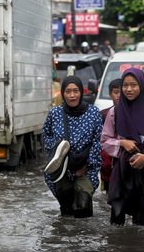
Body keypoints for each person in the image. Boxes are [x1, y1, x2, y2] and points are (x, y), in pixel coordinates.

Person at [101, 68, 144, 226]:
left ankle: (138, 249)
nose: (129, 89)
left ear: (142, 86)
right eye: (125, 85)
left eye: (134, 85)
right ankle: (118, 249)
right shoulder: (114, 113)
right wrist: (122, 143)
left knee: (140, 218)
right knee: (116, 216)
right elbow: (105, 139)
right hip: (121, 170)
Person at [43, 76, 103, 218]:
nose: (72, 95)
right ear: (63, 93)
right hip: (62, 169)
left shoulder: (94, 113)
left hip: (86, 168)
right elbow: (46, 136)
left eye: (75, 91)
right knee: (67, 210)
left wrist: (85, 165)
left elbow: (99, 142)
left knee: (83, 207)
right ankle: (65, 238)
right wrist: (59, 155)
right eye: (68, 91)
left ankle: (83, 239)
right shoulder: (55, 113)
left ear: (81, 92)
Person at [100, 78, 122, 192]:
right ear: (110, 94)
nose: (119, 96)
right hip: (107, 160)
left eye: (121, 92)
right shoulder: (103, 114)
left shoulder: (134, 114)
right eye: (116, 92)